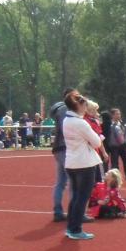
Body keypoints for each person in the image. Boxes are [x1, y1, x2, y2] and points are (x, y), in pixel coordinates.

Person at [62, 90, 103, 240]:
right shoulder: (81, 123)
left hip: (71, 162)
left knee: (76, 197)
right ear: (78, 106)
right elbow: (97, 142)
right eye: (84, 105)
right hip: (84, 163)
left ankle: (71, 227)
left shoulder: (66, 120)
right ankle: (76, 229)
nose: (86, 108)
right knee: (82, 197)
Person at [50, 87, 75, 222]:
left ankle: (58, 211)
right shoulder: (65, 110)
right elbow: (67, 129)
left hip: (59, 148)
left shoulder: (60, 110)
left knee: (60, 182)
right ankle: (74, 212)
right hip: (65, 148)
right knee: (73, 180)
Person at [108, 109, 126, 178]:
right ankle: (115, 177)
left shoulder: (121, 123)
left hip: (123, 145)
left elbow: (124, 133)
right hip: (114, 146)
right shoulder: (109, 124)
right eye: (117, 114)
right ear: (112, 115)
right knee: (115, 162)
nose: (119, 115)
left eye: (119, 114)